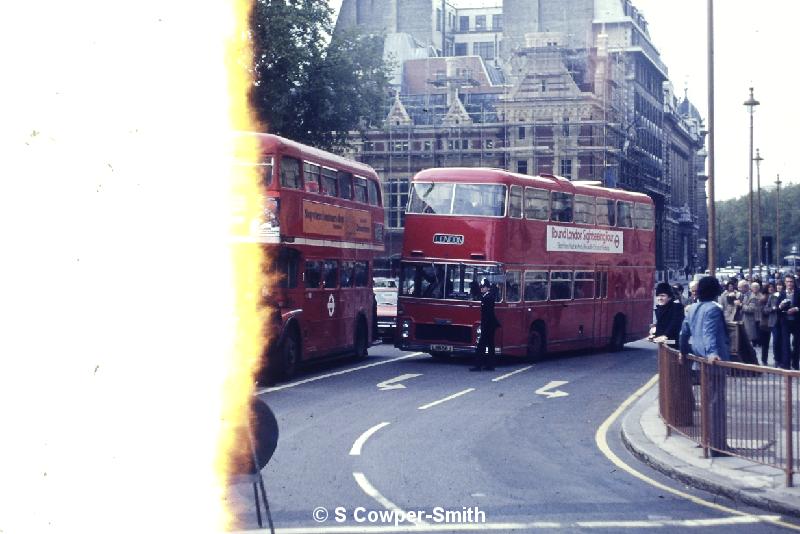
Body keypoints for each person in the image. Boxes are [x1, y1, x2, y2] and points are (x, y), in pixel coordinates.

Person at [679, 276, 732, 457]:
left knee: (707, 402)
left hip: (698, 361)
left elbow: (683, 333)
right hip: (713, 362)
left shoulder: (692, 308)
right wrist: (712, 353)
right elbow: (709, 332)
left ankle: (706, 440)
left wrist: (683, 352)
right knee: (717, 403)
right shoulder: (713, 309)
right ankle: (717, 446)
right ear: (716, 291)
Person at [471, 279, 500, 372]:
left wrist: (484, 326)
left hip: (488, 325)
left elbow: (487, 314)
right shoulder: (488, 296)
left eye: (483, 287)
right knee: (490, 345)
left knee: (481, 346)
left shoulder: (487, 298)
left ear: (488, 288)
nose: (482, 289)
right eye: (481, 287)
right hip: (490, 324)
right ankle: (490, 365)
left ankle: (478, 366)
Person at [777, 274, 800, 370]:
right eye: (787, 281)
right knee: (785, 343)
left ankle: (795, 363)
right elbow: (777, 307)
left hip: (796, 321)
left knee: (797, 344)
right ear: (785, 283)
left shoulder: (798, 292)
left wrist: (796, 309)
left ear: (793, 282)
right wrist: (780, 306)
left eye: (791, 281)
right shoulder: (781, 293)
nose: (789, 283)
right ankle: (786, 364)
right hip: (785, 321)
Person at [759, 282, 777, 366]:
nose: (771, 288)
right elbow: (763, 311)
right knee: (765, 344)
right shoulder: (763, 299)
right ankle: (764, 360)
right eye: (769, 287)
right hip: (765, 323)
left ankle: (776, 359)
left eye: (772, 287)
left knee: (776, 342)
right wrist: (772, 309)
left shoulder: (777, 297)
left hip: (775, 322)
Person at [742, 282, 761, 348]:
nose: (755, 289)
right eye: (753, 287)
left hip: (759, 315)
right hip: (753, 316)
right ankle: (754, 341)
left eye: (756, 287)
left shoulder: (760, 295)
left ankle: (758, 341)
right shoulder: (748, 295)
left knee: (758, 328)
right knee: (753, 328)